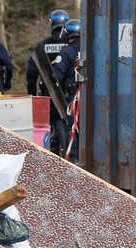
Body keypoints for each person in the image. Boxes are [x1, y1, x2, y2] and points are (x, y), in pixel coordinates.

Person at [53, 19, 82, 162]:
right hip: (94, 97)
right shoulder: (95, 47)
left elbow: (57, 75)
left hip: (73, 98)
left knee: (70, 129)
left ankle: (74, 162)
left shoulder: (67, 51)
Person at [26, 9, 68, 96]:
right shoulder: (72, 44)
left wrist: (32, 92)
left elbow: (32, 71)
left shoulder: (42, 45)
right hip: (69, 91)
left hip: (48, 90)